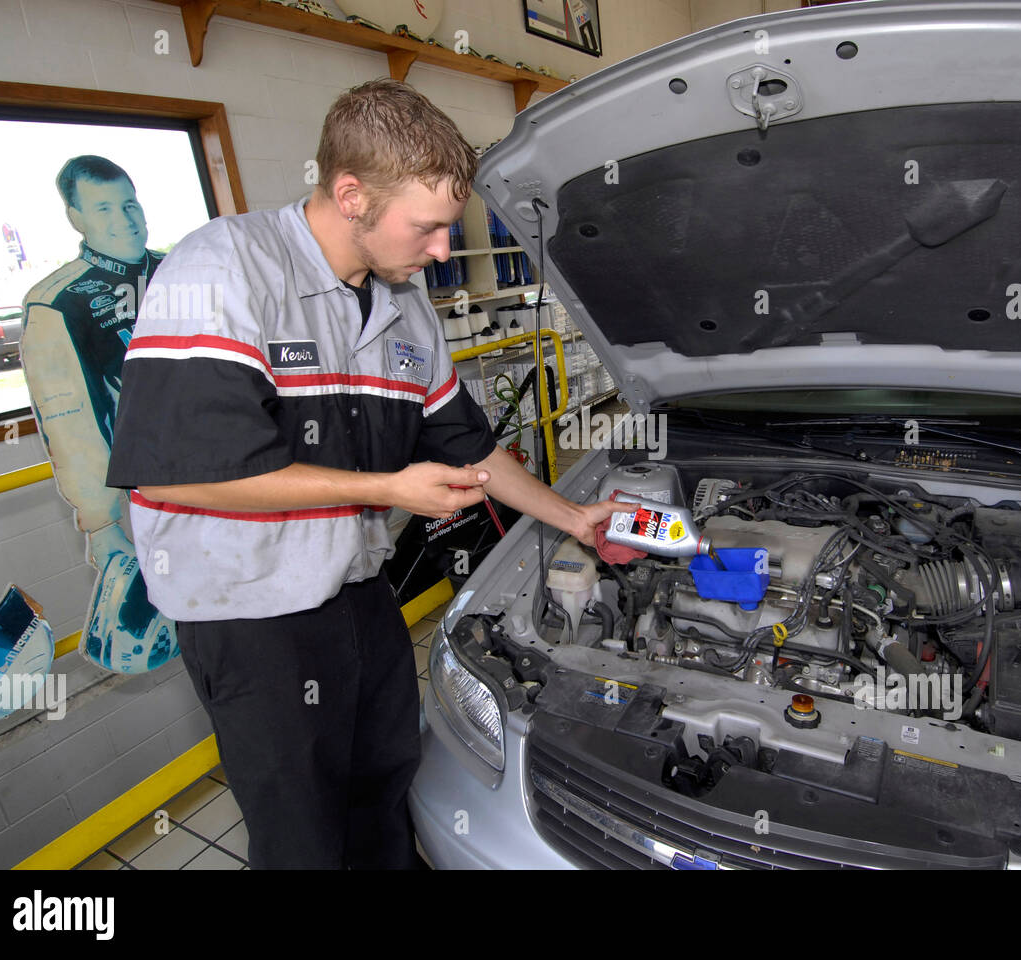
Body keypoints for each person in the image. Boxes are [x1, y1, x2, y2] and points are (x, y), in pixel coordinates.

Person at [105, 79, 629, 869]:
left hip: (358, 594)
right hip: (251, 618)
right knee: (303, 835)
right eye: (428, 228)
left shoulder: (405, 308)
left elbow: (469, 448)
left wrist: (572, 519)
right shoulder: (224, 270)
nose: (444, 252)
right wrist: (387, 489)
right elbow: (182, 476)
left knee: (387, 787)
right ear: (351, 195)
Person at [21, 155, 177, 674]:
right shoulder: (58, 304)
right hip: (152, 498)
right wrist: (102, 524)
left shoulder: (184, 270)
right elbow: (69, 425)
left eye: (130, 204)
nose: (126, 219)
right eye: (105, 207)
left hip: (242, 475)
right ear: (76, 217)